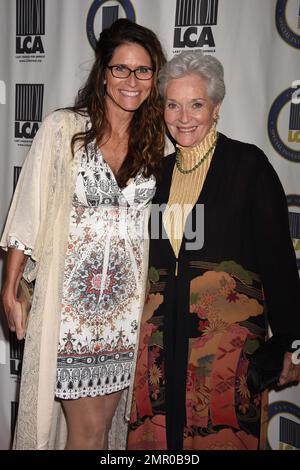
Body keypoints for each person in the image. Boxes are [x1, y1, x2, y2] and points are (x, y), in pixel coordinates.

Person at [0, 19, 166, 450]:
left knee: (103, 427)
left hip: (125, 312)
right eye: (121, 69)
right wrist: (10, 288)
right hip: (71, 309)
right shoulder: (64, 130)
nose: (132, 80)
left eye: (143, 70)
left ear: (154, 76)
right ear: (103, 72)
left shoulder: (156, 143)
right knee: (87, 432)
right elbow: (27, 212)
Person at [127, 50, 300, 451]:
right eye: (173, 104)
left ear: (216, 108)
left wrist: (292, 341)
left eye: (196, 104)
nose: (183, 117)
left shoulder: (248, 166)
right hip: (158, 351)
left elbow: (278, 260)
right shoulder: (158, 174)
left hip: (225, 359)